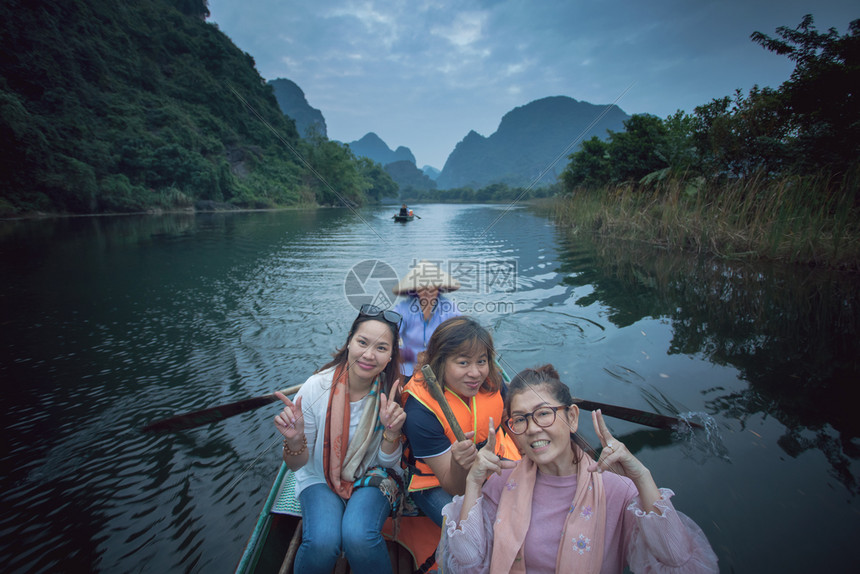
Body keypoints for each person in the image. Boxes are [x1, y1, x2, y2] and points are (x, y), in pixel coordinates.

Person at [437, 365, 719, 574]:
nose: (533, 428)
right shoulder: (502, 483)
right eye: (520, 419)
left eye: (544, 413)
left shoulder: (616, 489)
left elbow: (678, 562)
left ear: (572, 418)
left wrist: (642, 478)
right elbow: (468, 562)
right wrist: (474, 483)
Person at [273, 304, 407, 574]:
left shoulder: (393, 395)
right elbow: (298, 464)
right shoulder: (316, 387)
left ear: (391, 355)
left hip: (374, 475)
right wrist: (296, 439)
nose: (369, 355)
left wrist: (391, 433)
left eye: (381, 348)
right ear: (349, 342)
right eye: (362, 342)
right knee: (322, 542)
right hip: (319, 475)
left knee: (358, 536)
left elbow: (388, 464)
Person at [400, 316, 520, 527]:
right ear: (440, 361)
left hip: (496, 460)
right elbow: (453, 486)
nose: (475, 373)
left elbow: (511, 422)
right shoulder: (420, 411)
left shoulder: (493, 381)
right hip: (440, 481)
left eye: (481, 361)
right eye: (463, 362)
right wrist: (459, 464)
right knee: (473, 529)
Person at [392, 260, 462, 377]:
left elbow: (460, 334)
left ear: (438, 288)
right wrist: (404, 352)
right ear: (415, 289)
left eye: (432, 287)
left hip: (441, 364)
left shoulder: (450, 308)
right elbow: (391, 331)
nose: (428, 292)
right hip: (408, 366)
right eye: (422, 287)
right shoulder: (403, 308)